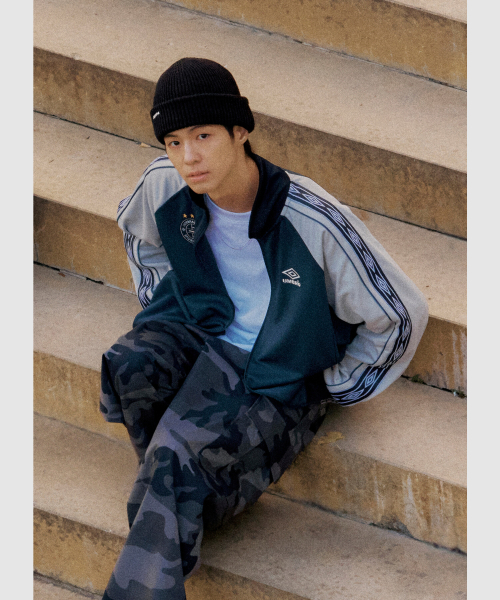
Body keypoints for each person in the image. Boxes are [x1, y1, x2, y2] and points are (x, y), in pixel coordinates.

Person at [99, 57, 428, 600]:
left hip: (275, 368)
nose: (189, 157)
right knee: (128, 365)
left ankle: (175, 487)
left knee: (172, 463)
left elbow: (401, 313)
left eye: (203, 136)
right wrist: (166, 300)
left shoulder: (310, 216)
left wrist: (333, 384)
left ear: (240, 132)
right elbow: (137, 230)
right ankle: (183, 489)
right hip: (204, 329)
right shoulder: (165, 183)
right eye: (174, 142)